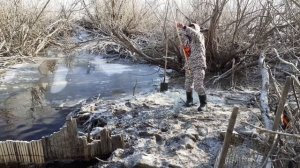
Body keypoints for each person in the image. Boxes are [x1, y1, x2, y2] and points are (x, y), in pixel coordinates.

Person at [177, 23, 207, 111]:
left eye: (192, 28)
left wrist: (184, 27)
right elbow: (185, 55)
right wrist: (183, 49)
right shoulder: (187, 41)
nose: (190, 30)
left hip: (198, 65)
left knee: (198, 85)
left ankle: (203, 104)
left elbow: (195, 34)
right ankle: (189, 100)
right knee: (187, 85)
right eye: (190, 28)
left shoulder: (199, 37)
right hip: (189, 65)